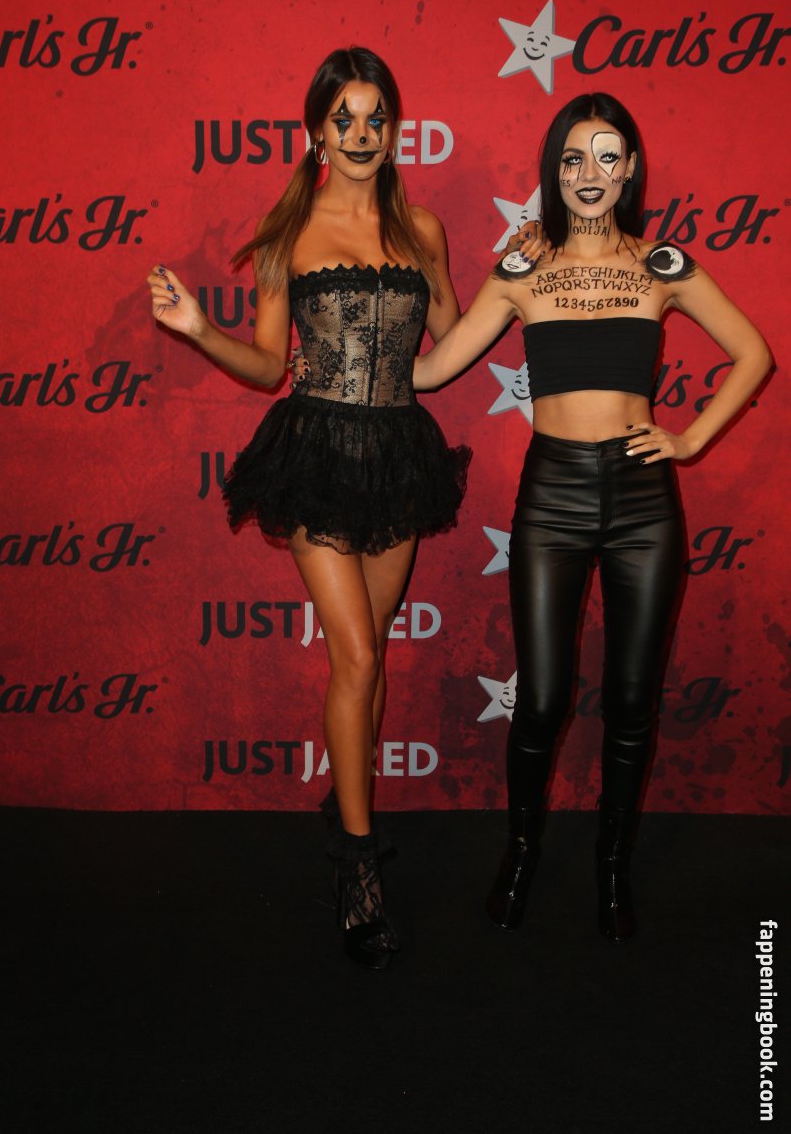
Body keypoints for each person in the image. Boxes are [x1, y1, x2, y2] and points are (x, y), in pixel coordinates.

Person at [146, 47, 476, 970]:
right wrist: (198, 330)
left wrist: (517, 280)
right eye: (344, 118)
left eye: (376, 117)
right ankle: (358, 871)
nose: (361, 134)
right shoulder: (287, 228)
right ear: (316, 133)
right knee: (358, 656)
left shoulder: (422, 228)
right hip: (315, 455)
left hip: (399, 456)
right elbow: (265, 364)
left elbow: (452, 339)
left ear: (394, 129)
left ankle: (348, 797)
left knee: (369, 663)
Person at [413, 93, 771, 943]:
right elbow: (432, 371)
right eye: (574, 157)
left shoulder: (661, 262)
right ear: (554, 169)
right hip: (552, 494)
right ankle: (521, 854)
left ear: (630, 170)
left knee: (632, 698)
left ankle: (612, 865)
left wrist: (688, 440)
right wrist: (419, 280)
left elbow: (752, 353)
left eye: (607, 156)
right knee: (540, 698)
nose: (589, 173)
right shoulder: (522, 267)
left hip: (644, 500)